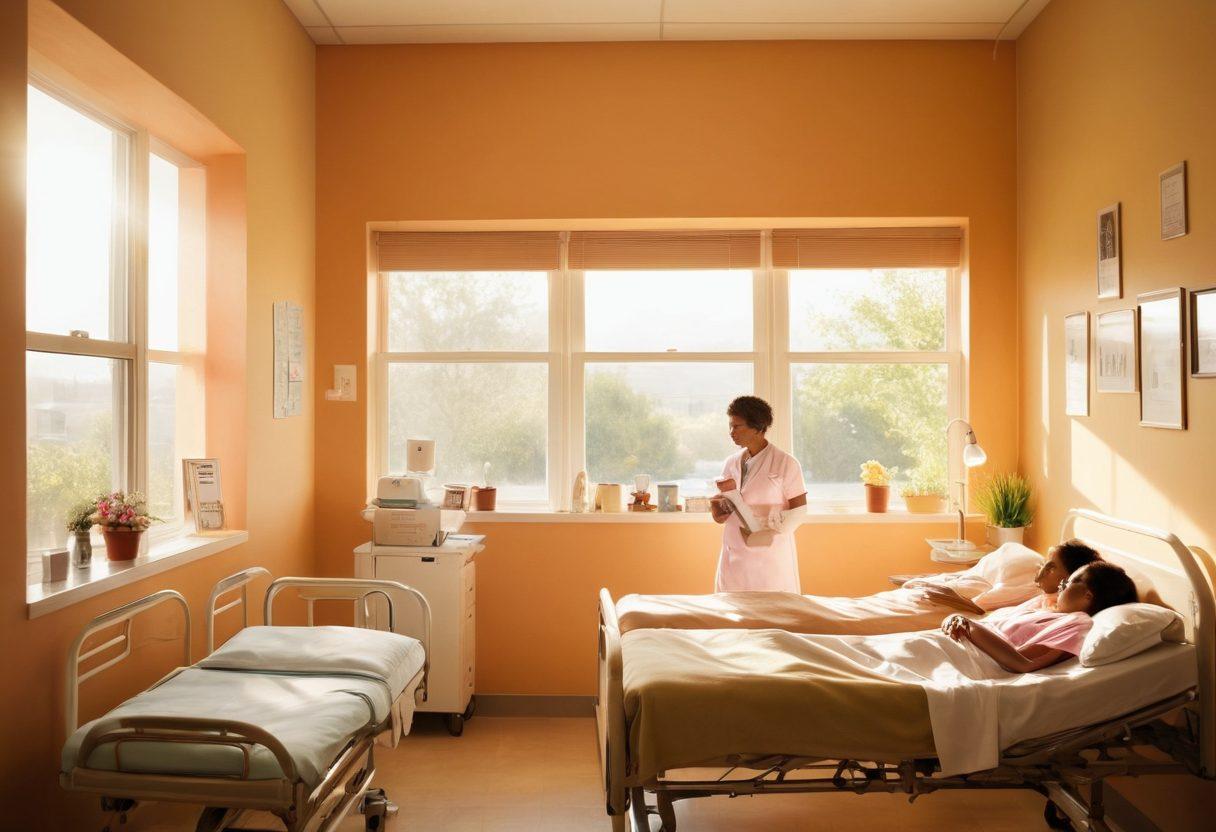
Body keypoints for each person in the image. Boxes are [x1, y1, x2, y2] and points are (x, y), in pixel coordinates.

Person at [942, 561, 1138, 673]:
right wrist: (955, 619)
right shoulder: (1053, 612)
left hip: (967, 661)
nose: (1060, 588)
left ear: (1087, 595)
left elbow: (1022, 662)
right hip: (952, 644)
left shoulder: (1079, 624)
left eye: (1067, 584)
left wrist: (968, 625)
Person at [711, 396, 807, 592]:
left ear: (757, 427)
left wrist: (765, 524)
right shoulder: (731, 462)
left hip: (768, 556)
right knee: (731, 612)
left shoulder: (785, 463)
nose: (731, 432)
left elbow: (800, 512)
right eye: (730, 426)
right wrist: (718, 511)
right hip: (733, 551)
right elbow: (725, 509)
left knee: (772, 613)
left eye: (737, 426)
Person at [911, 538, 1101, 615]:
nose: (1040, 572)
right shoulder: (1043, 598)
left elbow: (978, 608)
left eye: (1051, 568)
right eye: (1044, 564)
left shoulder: (1051, 607)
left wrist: (945, 595)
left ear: (1070, 578)